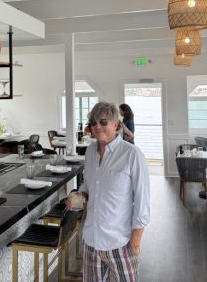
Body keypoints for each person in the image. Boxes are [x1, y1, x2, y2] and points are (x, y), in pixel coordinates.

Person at [67, 101, 150, 281]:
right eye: (93, 122)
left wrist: (135, 242)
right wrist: (80, 195)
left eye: (103, 121)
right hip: (91, 241)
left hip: (121, 243)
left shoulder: (132, 155)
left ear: (116, 124)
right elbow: (89, 185)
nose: (97, 126)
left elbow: (142, 203)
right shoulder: (90, 152)